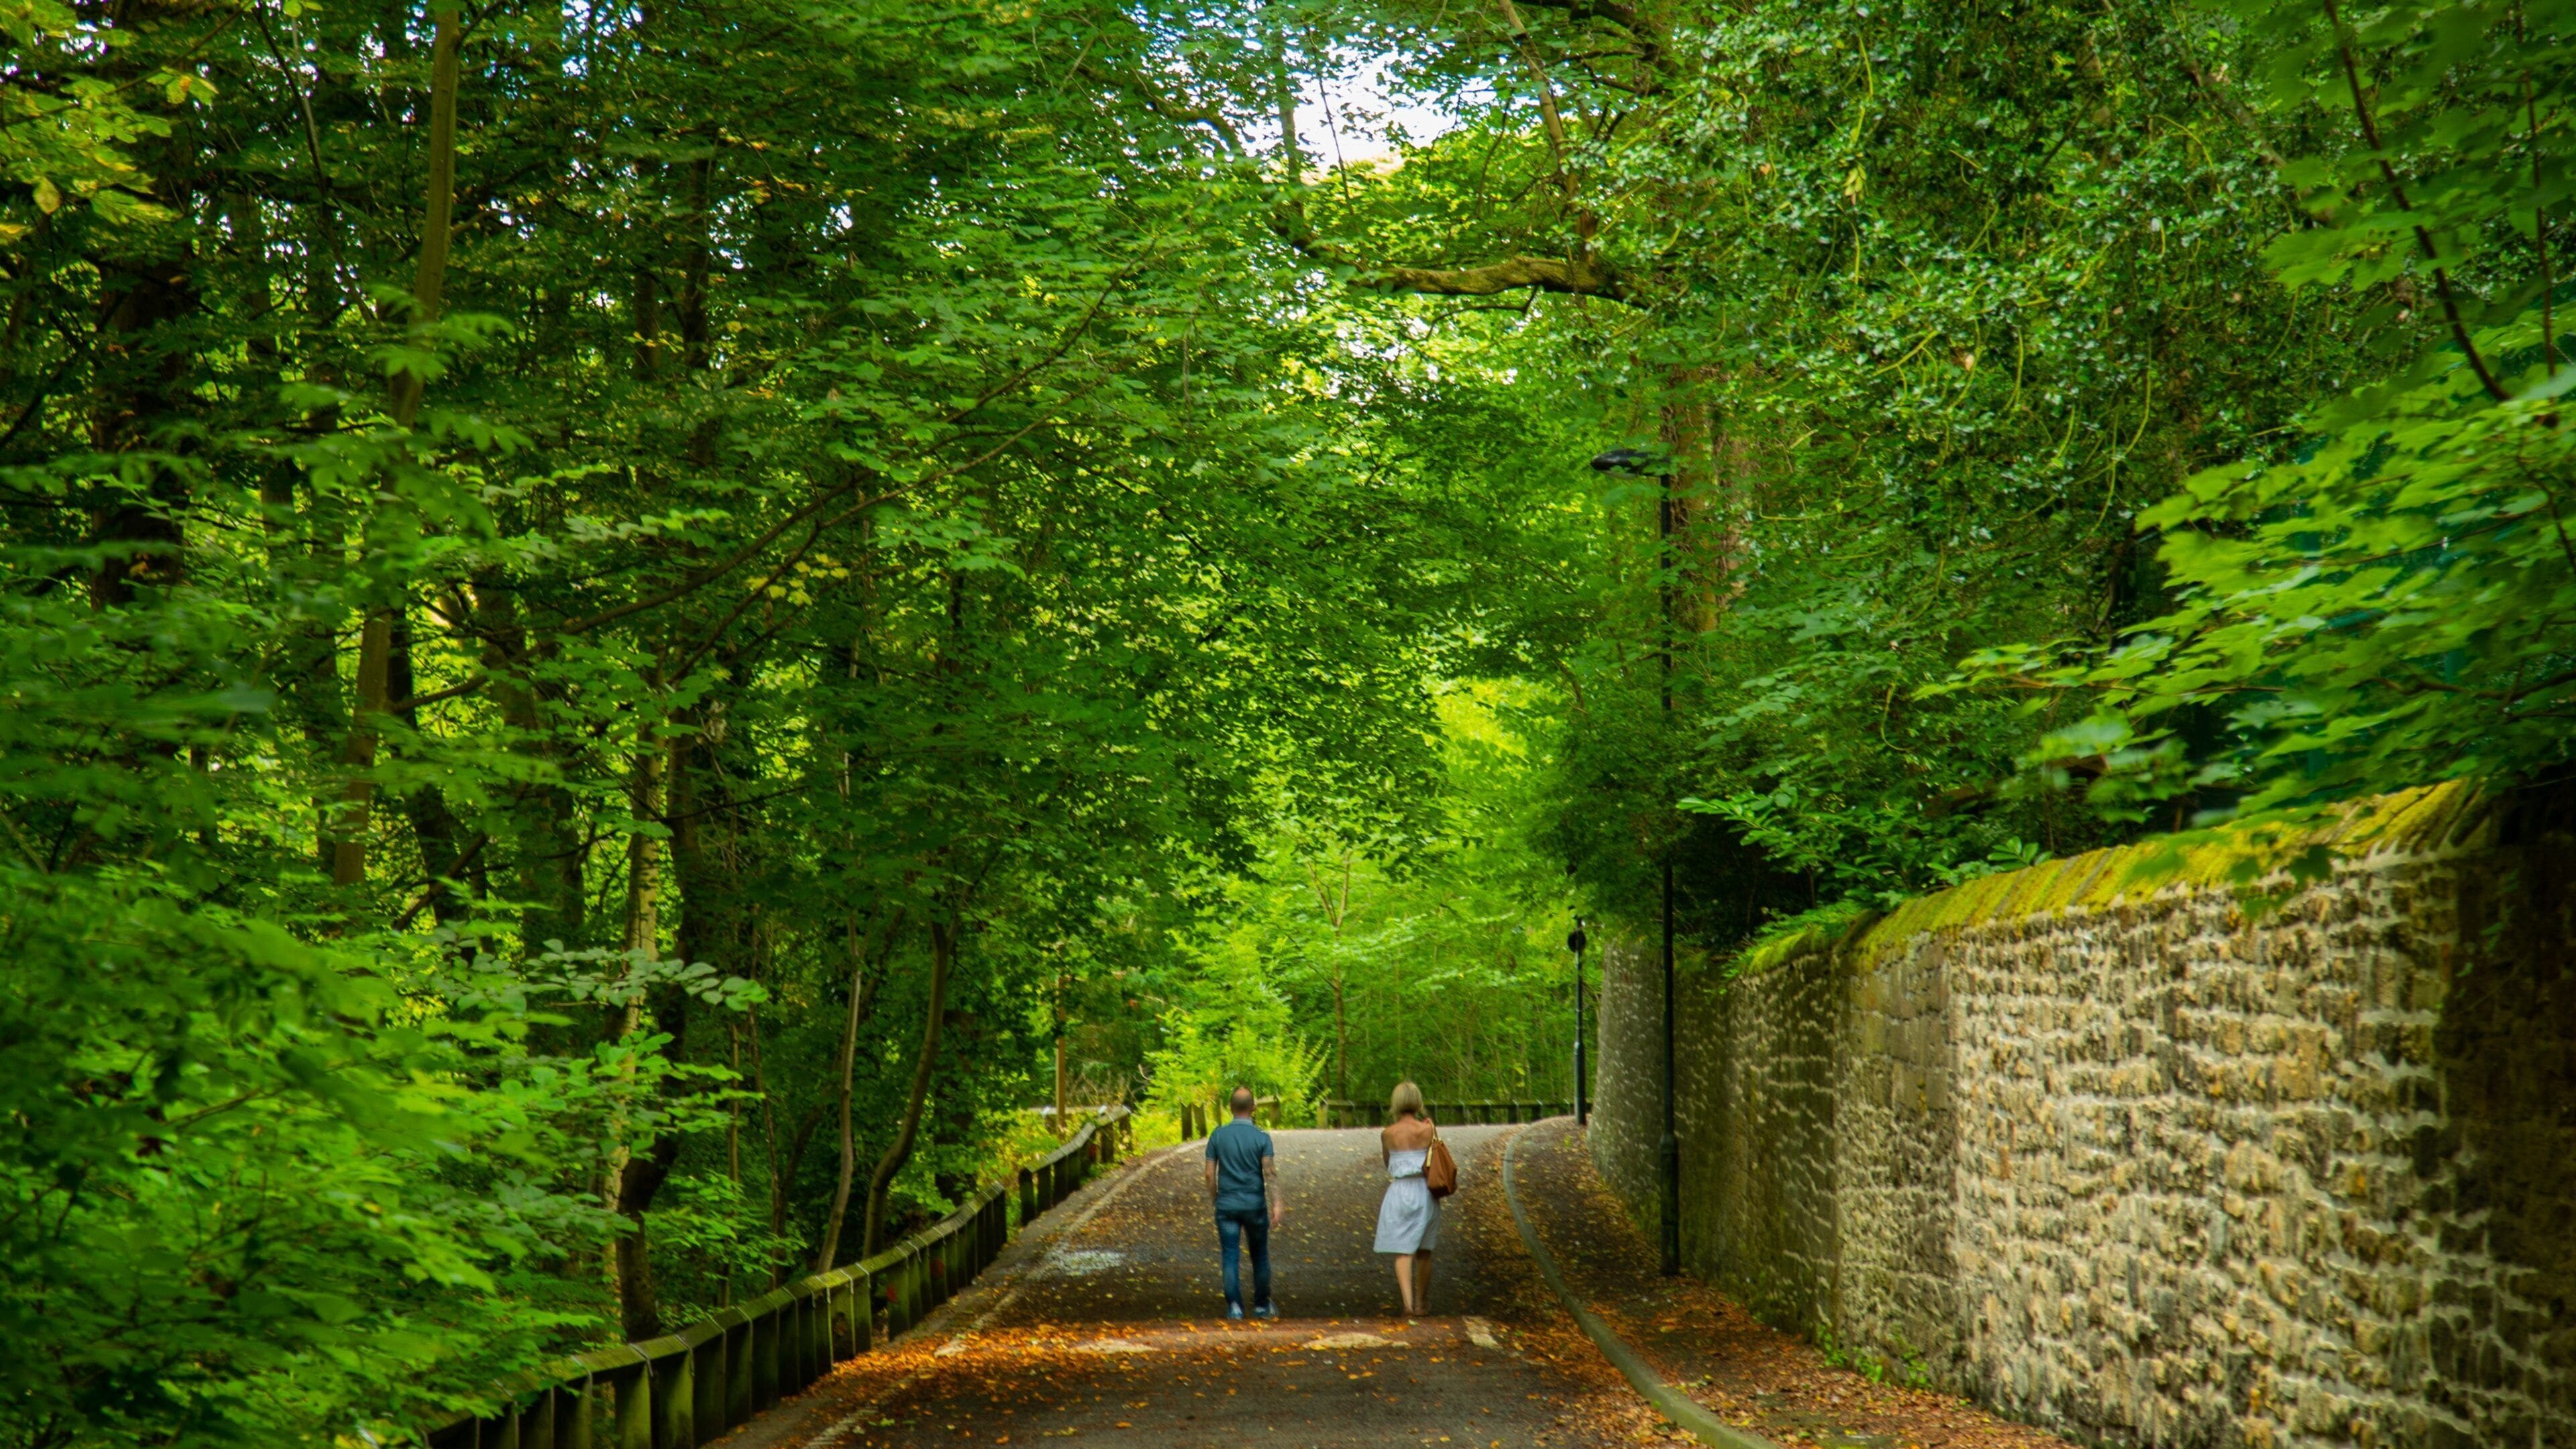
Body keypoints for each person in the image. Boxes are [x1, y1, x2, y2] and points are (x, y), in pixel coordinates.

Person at [1203, 1085, 1281, 1320]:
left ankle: (1235, 1308)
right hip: (1255, 1205)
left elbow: (1209, 1174)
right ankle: (1261, 1306)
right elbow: (1270, 1173)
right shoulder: (1262, 1138)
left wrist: (1215, 1198)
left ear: (1230, 1108)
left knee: (1229, 1254)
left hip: (1227, 1205)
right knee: (1259, 1255)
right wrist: (1277, 1203)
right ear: (1254, 1107)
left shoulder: (1217, 1136)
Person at [1375, 1080, 1441, 1317]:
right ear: (1417, 1102)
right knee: (1424, 1250)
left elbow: (1387, 1164)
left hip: (1400, 1191)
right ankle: (1422, 1303)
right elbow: (1438, 1157)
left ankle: (1408, 1304)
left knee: (1403, 1250)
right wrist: (1432, 1126)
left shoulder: (1387, 1134)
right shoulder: (1428, 1129)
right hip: (1425, 1190)